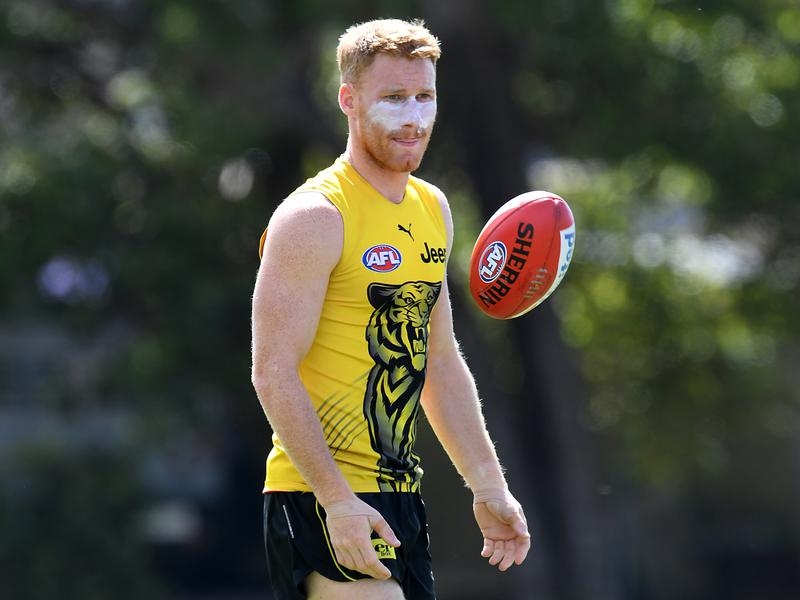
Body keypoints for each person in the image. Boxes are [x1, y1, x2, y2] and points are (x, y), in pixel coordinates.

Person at [250, 18, 530, 600]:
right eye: (394, 98)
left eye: (425, 97)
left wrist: (488, 485)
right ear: (349, 101)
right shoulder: (314, 217)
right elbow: (272, 371)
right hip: (319, 495)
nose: (414, 117)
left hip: (400, 494)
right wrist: (336, 500)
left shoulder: (432, 208)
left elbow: (440, 362)